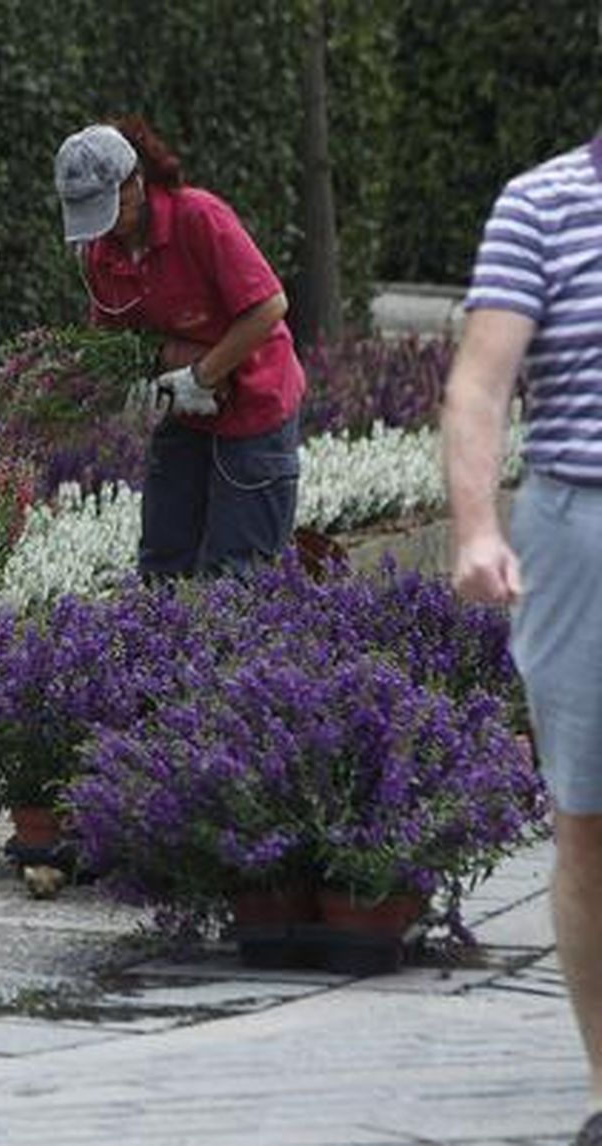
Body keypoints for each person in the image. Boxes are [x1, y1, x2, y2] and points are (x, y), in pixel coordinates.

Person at [442, 131, 602, 1146]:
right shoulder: (539, 205)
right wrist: (475, 529)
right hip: (582, 531)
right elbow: (479, 384)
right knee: (589, 822)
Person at [53, 117, 305, 578]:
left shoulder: (198, 218)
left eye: (108, 207)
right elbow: (115, 339)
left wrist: (201, 375)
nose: (105, 227)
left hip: (254, 403)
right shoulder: (101, 254)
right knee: (163, 563)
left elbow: (269, 307)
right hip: (183, 409)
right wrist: (123, 383)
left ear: (136, 182)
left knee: (237, 573)